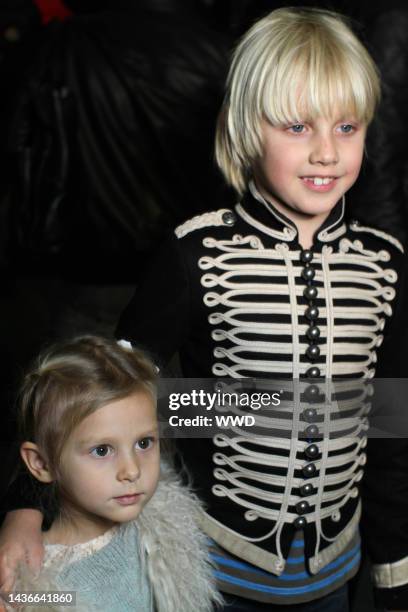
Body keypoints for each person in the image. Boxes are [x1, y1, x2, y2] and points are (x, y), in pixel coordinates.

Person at [1, 6, 407, 612]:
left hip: (336, 574)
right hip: (216, 573)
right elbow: (108, 400)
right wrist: (28, 504)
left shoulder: (386, 263)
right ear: (246, 127)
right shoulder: (195, 253)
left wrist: (393, 573)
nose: (327, 152)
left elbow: (389, 430)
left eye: (347, 127)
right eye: (297, 126)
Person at [0, 336, 220, 611]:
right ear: (41, 464)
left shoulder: (162, 528)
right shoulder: (40, 579)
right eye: (102, 450)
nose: (132, 470)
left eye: (144, 443)